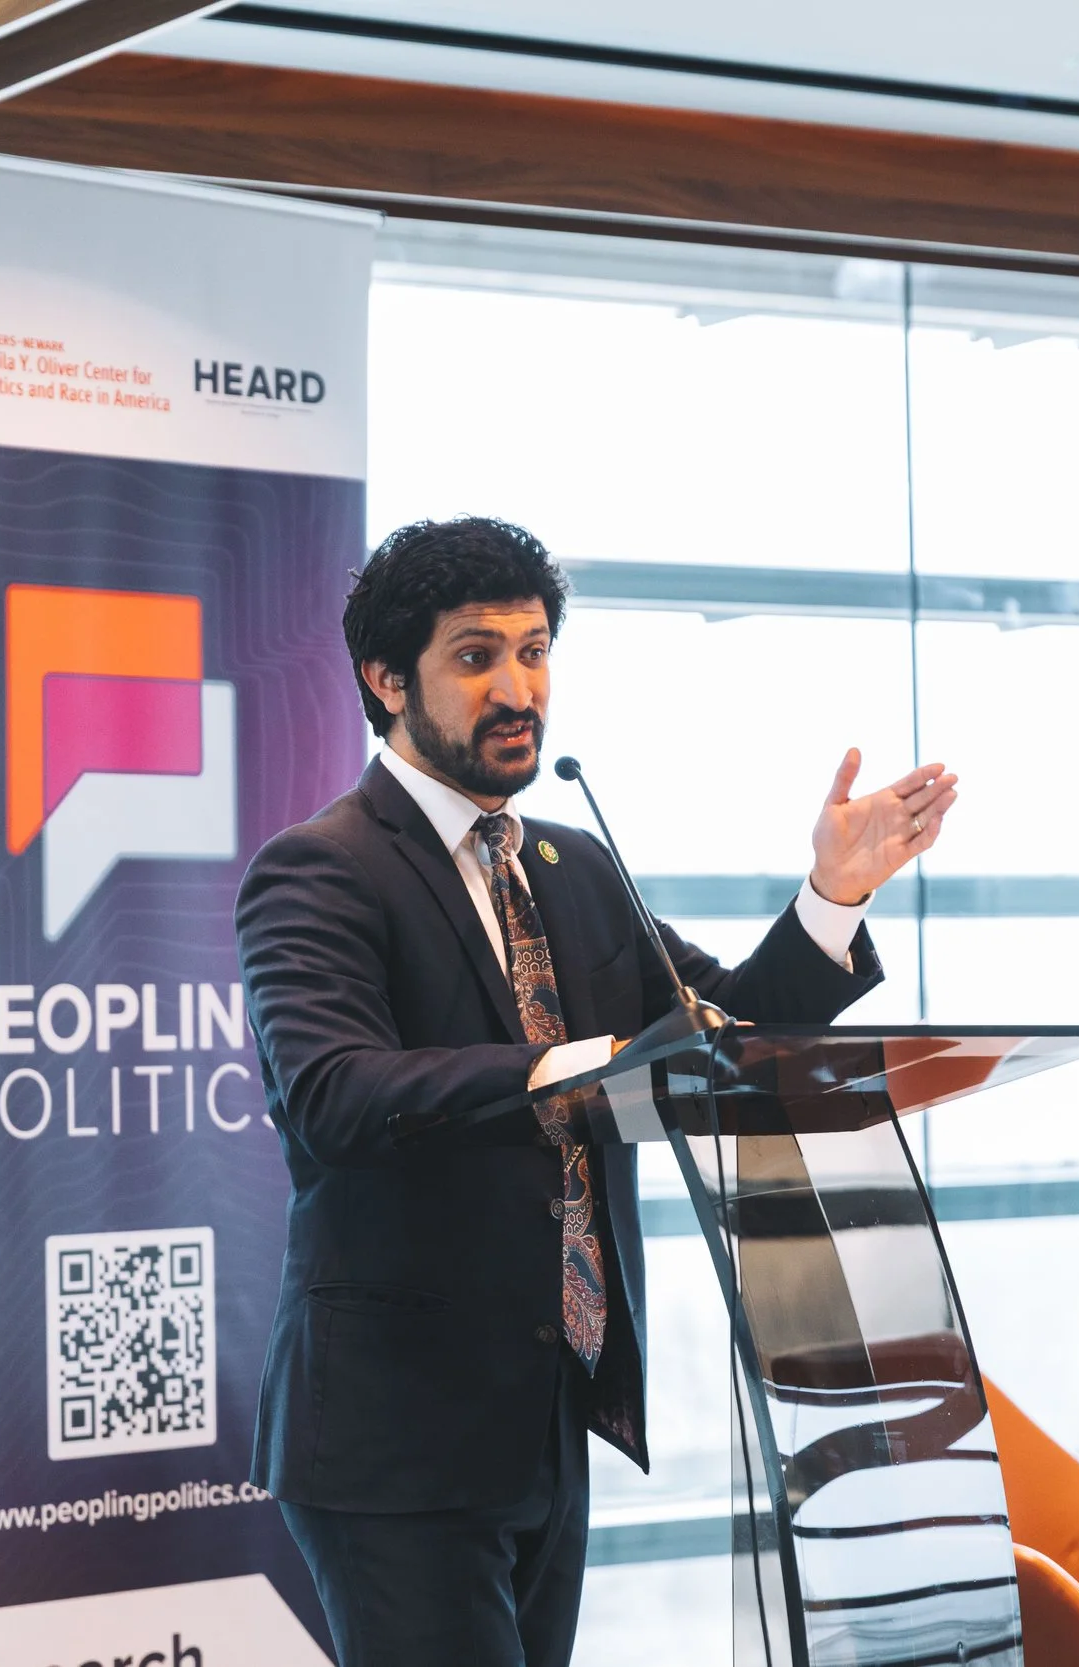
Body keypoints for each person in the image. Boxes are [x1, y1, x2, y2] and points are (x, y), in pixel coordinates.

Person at [234, 516, 958, 1667]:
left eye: (533, 651)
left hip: (548, 1413)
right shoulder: (322, 867)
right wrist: (583, 1063)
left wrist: (831, 895)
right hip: (394, 1434)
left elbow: (720, 1027)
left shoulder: (568, 863)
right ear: (386, 680)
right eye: (477, 657)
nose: (518, 686)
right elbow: (334, 1091)